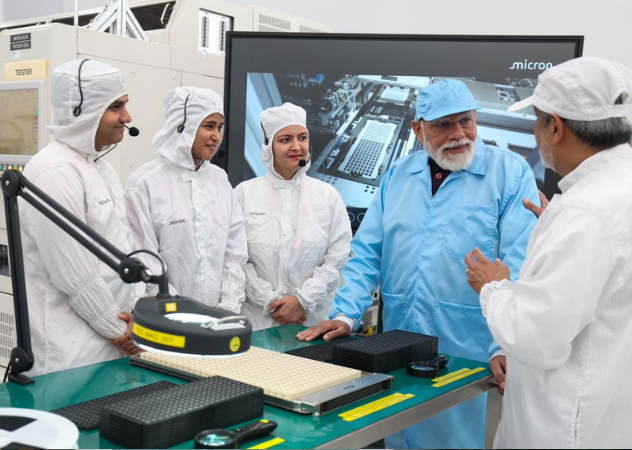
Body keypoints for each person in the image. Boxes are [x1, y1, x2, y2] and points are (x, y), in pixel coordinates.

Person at [297, 79, 540, 449]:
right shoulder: (398, 176)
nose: (459, 134)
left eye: (466, 121)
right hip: (399, 348)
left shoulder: (509, 174)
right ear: (417, 129)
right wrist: (346, 314)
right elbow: (367, 252)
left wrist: (503, 345)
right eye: (443, 125)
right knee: (399, 436)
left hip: (470, 353)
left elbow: (520, 264)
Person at [465, 57, 632, 449]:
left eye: (537, 120)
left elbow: (538, 337)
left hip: (566, 429)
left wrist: (494, 288)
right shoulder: (608, 197)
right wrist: (557, 230)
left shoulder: (585, 214)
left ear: (555, 127)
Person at [20, 60, 144, 376]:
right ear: (81, 111)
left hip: (111, 341)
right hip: (69, 354)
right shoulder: (53, 171)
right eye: (116, 107)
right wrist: (119, 332)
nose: (127, 118)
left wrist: (131, 316)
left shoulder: (101, 168)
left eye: (125, 105)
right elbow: (73, 274)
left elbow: (121, 253)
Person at [124, 87, 247, 312]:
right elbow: (144, 261)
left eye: (220, 127)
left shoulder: (220, 180)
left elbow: (234, 254)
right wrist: (182, 313)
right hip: (167, 319)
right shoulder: (144, 184)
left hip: (219, 318)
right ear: (182, 126)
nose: (217, 136)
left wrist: (227, 308)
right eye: (208, 126)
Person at [234, 103, 351, 330]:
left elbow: (338, 259)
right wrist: (272, 304)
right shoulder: (244, 194)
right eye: (285, 139)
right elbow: (236, 260)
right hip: (257, 322)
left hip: (311, 322)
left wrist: (302, 301)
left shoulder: (327, 196)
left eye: (302, 138)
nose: (297, 146)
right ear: (269, 147)